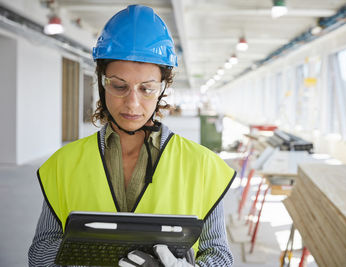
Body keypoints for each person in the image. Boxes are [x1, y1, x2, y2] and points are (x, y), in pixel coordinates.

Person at [28, 5, 235, 267]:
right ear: (102, 82)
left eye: (146, 89)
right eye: (119, 86)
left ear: (163, 87)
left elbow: (219, 256)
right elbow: (39, 254)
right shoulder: (63, 164)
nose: (132, 104)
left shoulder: (204, 166)